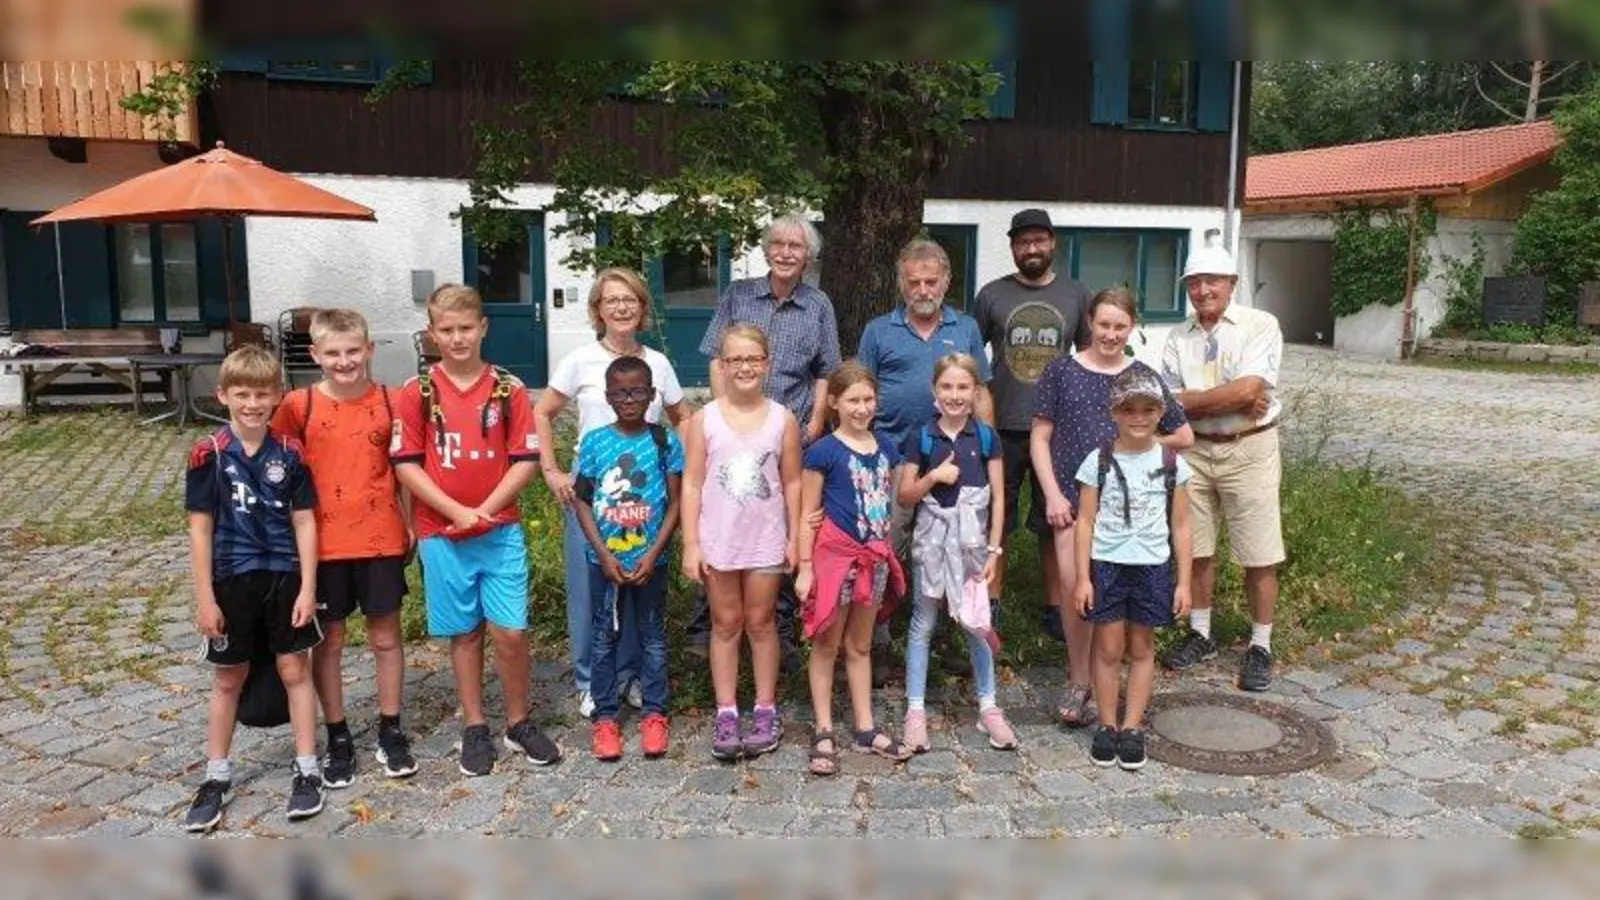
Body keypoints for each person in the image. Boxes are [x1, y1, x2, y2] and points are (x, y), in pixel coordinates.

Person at [391, 284, 561, 776]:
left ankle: (519, 720)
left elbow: (525, 459)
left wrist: (483, 510)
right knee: (464, 634)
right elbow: (407, 464)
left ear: (483, 328)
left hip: (499, 527)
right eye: (447, 330)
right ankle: (474, 723)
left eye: (466, 328)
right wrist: (454, 512)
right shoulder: (417, 392)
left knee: (510, 631)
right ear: (432, 334)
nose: (458, 338)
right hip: (440, 532)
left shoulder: (507, 388)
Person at [1030, 287, 1193, 726]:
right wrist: (1051, 494)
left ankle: (1117, 679)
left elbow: (1183, 435)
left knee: (1121, 600)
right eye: (1103, 324)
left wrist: (1138, 442)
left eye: (1120, 326)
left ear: (1132, 328)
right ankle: (1080, 677)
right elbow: (1040, 436)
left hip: (1130, 507)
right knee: (1075, 587)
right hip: (1071, 497)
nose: (1110, 334)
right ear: (1089, 323)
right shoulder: (1062, 370)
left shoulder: (1141, 376)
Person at [270, 308, 418, 788]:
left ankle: (391, 728)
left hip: (379, 536)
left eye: (353, 351)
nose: (344, 361)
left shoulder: (392, 402)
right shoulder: (298, 405)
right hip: (323, 545)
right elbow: (281, 472)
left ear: (369, 350)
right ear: (315, 355)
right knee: (329, 641)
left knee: (385, 637)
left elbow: (405, 471)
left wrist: (411, 524)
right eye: (332, 353)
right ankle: (337, 734)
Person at [692, 213, 843, 669]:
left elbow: (826, 370)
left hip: (790, 431)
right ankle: (711, 625)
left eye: (795, 246)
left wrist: (816, 420)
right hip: (734, 437)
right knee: (728, 516)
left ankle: (776, 627)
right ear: (766, 249)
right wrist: (726, 416)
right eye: (778, 243)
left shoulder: (819, 305)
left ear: (808, 255)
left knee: (778, 525)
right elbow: (717, 359)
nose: (785, 252)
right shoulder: (738, 295)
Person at [183, 345, 324, 832]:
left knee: (294, 670)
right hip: (230, 578)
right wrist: (205, 597)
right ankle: (216, 775)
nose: (252, 403)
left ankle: (308, 767)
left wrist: (309, 587)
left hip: (284, 576)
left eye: (262, 393)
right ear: (223, 395)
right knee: (228, 678)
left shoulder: (290, 453)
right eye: (242, 394)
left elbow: (305, 522)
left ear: (277, 397)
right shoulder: (209, 454)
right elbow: (199, 529)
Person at [535, 268, 687, 719]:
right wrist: (552, 469)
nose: (621, 307)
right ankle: (590, 679)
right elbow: (542, 412)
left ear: (643, 308)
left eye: (630, 300)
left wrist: (692, 474)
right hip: (592, 485)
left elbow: (684, 418)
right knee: (591, 585)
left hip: (648, 484)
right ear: (597, 309)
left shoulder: (658, 363)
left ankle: (634, 675)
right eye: (611, 300)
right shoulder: (579, 359)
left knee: (640, 577)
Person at [857, 237, 993, 684]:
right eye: (913, 282)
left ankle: (954, 637)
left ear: (946, 282)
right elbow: (863, 391)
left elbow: (981, 390)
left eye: (930, 281)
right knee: (885, 554)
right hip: (893, 462)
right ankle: (875, 643)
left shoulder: (966, 327)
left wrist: (986, 447)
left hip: (955, 465)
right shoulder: (879, 331)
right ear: (901, 285)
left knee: (957, 551)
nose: (922, 289)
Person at [1157, 236, 1286, 692]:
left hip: (1249, 448)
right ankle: (1201, 633)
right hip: (1194, 450)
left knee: (1259, 551)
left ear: (1232, 283)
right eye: (1194, 282)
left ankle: (1261, 643)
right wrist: (1228, 397)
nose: (1202, 290)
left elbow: (1250, 393)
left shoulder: (1259, 325)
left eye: (1211, 280)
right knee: (1197, 548)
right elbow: (1166, 407)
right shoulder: (1177, 336)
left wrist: (1199, 400)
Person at [680, 325, 802, 761]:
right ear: (723, 366)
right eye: (736, 360)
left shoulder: (782, 419)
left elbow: (791, 481)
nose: (745, 367)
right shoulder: (705, 419)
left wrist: (795, 538)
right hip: (720, 539)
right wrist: (691, 542)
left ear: (766, 363)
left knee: (762, 622)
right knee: (726, 623)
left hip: (766, 539)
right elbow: (692, 482)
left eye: (753, 359)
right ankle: (727, 710)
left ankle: (766, 707)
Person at [972, 208, 1091, 648]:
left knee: (1055, 521)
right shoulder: (991, 296)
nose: (1032, 249)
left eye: (1039, 241)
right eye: (1023, 242)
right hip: (1001, 426)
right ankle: (991, 605)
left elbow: (1087, 360)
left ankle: (1057, 608)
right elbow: (972, 352)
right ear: (1013, 248)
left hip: (1056, 430)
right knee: (994, 524)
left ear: (1052, 242)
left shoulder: (1077, 295)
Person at [795, 362, 915, 776]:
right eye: (853, 400)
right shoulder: (823, 451)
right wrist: (806, 566)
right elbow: (807, 513)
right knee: (827, 643)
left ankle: (864, 725)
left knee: (860, 645)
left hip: (874, 557)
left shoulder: (885, 447)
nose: (862, 408)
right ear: (833, 403)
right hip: (835, 559)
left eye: (868, 399)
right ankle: (824, 726)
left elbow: (888, 498)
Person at [1072, 367, 1194, 771]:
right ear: (1115, 413)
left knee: (1142, 648)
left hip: (1152, 567)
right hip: (1107, 565)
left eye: (1147, 408)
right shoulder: (1099, 460)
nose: (1138, 417)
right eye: (1129, 409)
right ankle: (1107, 725)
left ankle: (1133, 727)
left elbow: (1181, 525)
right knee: (1108, 649)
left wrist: (1184, 583)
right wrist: (1083, 578)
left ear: (1161, 412)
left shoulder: (1173, 463)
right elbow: (1084, 522)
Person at [896, 353, 1014, 753]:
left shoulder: (985, 437)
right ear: (934, 390)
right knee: (923, 623)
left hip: (972, 546)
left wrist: (995, 550)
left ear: (976, 391)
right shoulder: (922, 436)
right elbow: (906, 494)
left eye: (963, 387)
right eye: (947, 386)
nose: (955, 395)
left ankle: (988, 705)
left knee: (976, 622)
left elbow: (998, 498)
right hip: (932, 545)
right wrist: (933, 476)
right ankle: (915, 711)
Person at [572, 356, 684, 762]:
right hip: (605, 562)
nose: (630, 399)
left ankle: (655, 713)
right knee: (603, 636)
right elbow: (582, 502)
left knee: (652, 635)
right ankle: (605, 717)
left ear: (653, 395)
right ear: (608, 397)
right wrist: (603, 555)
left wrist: (654, 554)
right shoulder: (595, 442)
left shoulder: (664, 441)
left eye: (638, 391)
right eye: (621, 393)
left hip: (650, 561)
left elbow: (676, 504)